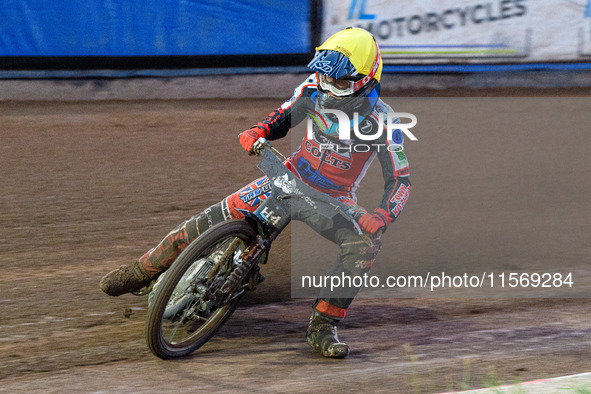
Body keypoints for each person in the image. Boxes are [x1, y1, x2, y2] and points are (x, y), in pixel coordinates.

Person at [100, 27, 411, 358]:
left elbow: (400, 181)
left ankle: (323, 325)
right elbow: (280, 119)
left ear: (365, 82)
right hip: (287, 176)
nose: (326, 86)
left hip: (332, 200)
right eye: (322, 76)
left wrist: (382, 215)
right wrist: (257, 131)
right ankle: (141, 272)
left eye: (339, 82)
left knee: (365, 244)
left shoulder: (384, 122)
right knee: (205, 221)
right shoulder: (312, 90)